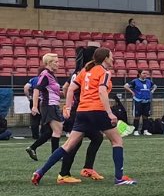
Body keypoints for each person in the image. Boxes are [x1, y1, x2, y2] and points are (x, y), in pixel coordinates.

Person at [31, 47, 136, 186]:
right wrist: (110, 113)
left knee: (68, 145)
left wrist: (68, 107)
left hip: (82, 111)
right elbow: (102, 91)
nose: (113, 59)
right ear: (105, 58)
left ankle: (40, 172)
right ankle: (119, 178)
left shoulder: (85, 70)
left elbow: (70, 89)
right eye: (111, 56)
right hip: (97, 110)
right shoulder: (104, 72)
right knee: (117, 141)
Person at [57, 65, 105, 183]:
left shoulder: (79, 72)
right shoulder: (85, 72)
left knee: (97, 137)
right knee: (74, 143)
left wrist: (69, 103)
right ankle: (64, 174)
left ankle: (87, 168)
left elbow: (66, 87)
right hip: (81, 110)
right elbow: (69, 88)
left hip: (82, 109)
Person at [26, 54, 65, 162]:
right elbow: (36, 90)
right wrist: (34, 106)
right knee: (58, 130)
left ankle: (32, 148)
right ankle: (55, 155)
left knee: (49, 132)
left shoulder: (51, 75)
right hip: (49, 105)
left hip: (51, 105)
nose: (58, 64)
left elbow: (52, 91)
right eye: (56, 62)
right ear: (49, 63)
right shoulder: (46, 74)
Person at [124, 69, 155, 136]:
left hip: (147, 101)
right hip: (138, 100)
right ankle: (135, 130)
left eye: (146, 73)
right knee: (137, 116)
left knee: (145, 116)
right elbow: (125, 86)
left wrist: (152, 91)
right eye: (143, 73)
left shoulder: (149, 81)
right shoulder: (135, 81)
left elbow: (155, 86)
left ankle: (145, 130)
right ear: (139, 74)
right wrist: (132, 92)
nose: (145, 75)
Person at [24, 75, 41, 140]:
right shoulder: (47, 78)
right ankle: (46, 135)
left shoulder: (33, 79)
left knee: (34, 118)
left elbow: (26, 87)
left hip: (33, 100)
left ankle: (35, 136)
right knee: (45, 118)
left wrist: (29, 97)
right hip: (43, 100)